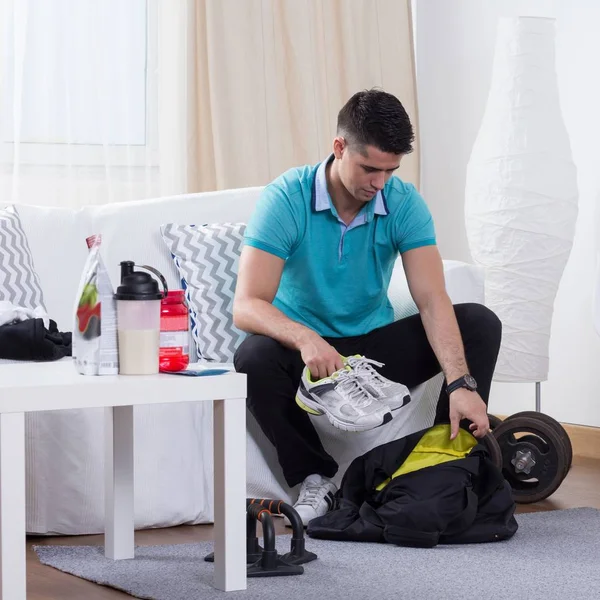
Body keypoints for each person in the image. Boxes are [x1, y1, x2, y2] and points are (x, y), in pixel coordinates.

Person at [233, 89, 501, 526]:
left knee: (480, 322)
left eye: (389, 171)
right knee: (253, 356)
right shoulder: (287, 197)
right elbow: (246, 305)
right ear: (339, 147)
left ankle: (437, 462)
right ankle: (316, 478)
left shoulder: (402, 202)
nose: (379, 183)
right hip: (310, 354)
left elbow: (432, 299)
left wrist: (461, 383)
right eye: (370, 168)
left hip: (372, 352)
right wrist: (307, 339)